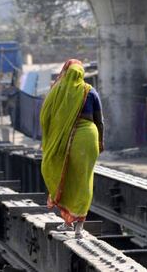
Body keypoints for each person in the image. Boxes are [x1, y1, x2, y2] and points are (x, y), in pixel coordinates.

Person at [40, 59, 104, 238]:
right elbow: (99, 120)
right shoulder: (89, 91)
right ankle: (78, 228)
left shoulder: (58, 91)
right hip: (88, 138)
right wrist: (101, 141)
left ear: (65, 72)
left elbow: (46, 117)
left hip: (66, 138)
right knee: (84, 179)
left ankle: (67, 222)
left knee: (65, 176)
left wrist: (51, 138)